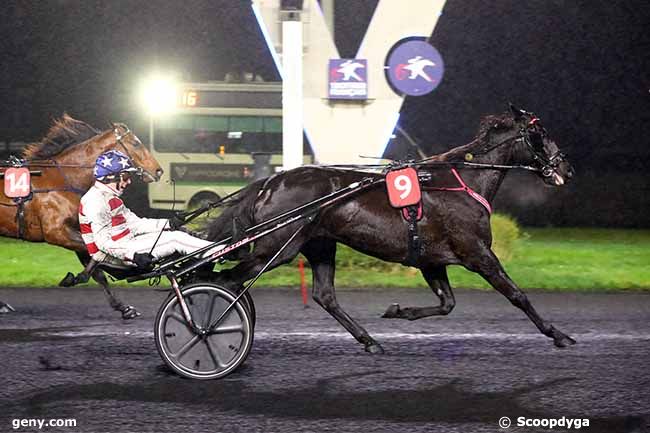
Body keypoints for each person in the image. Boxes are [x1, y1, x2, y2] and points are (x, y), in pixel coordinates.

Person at [79, 150, 223, 269]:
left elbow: (136, 224)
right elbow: (102, 243)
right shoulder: (95, 201)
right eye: (125, 176)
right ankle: (221, 252)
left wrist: (168, 223)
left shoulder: (108, 197)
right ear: (110, 177)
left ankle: (212, 255)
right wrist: (133, 255)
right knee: (175, 239)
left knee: (175, 232)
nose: (128, 181)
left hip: (127, 244)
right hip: (117, 257)